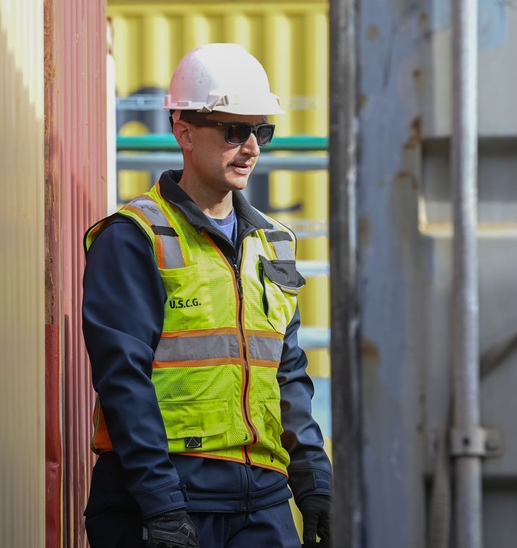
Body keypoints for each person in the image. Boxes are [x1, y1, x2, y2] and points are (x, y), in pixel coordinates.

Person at [81, 43, 333, 548]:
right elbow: (123, 383)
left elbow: (288, 374)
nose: (252, 147)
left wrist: (316, 488)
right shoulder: (134, 237)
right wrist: (162, 506)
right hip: (165, 502)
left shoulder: (273, 242)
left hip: (261, 502)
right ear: (184, 130)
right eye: (234, 130)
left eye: (260, 131)